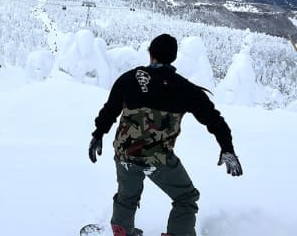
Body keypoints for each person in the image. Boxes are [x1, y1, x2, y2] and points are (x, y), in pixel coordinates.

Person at [88, 34, 242, 236]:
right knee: (186, 198)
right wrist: (227, 149)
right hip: (158, 158)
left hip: (125, 154)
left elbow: (110, 110)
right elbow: (215, 120)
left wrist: (98, 135)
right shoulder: (186, 89)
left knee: (127, 196)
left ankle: (121, 231)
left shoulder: (128, 79)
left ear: (150, 53)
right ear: (174, 58)